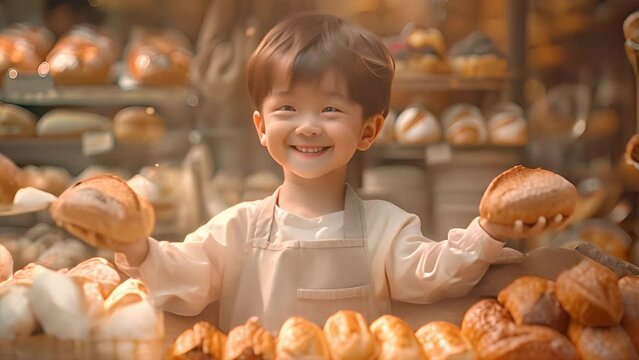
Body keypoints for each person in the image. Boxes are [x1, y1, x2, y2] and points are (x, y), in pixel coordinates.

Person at [115, 13, 563, 332]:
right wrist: (138, 248)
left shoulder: (387, 227)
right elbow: (183, 276)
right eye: (287, 108)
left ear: (369, 130)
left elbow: (437, 271)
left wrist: (488, 231)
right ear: (261, 127)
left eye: (330, 108)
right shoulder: (236, 228)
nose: (307, 125)